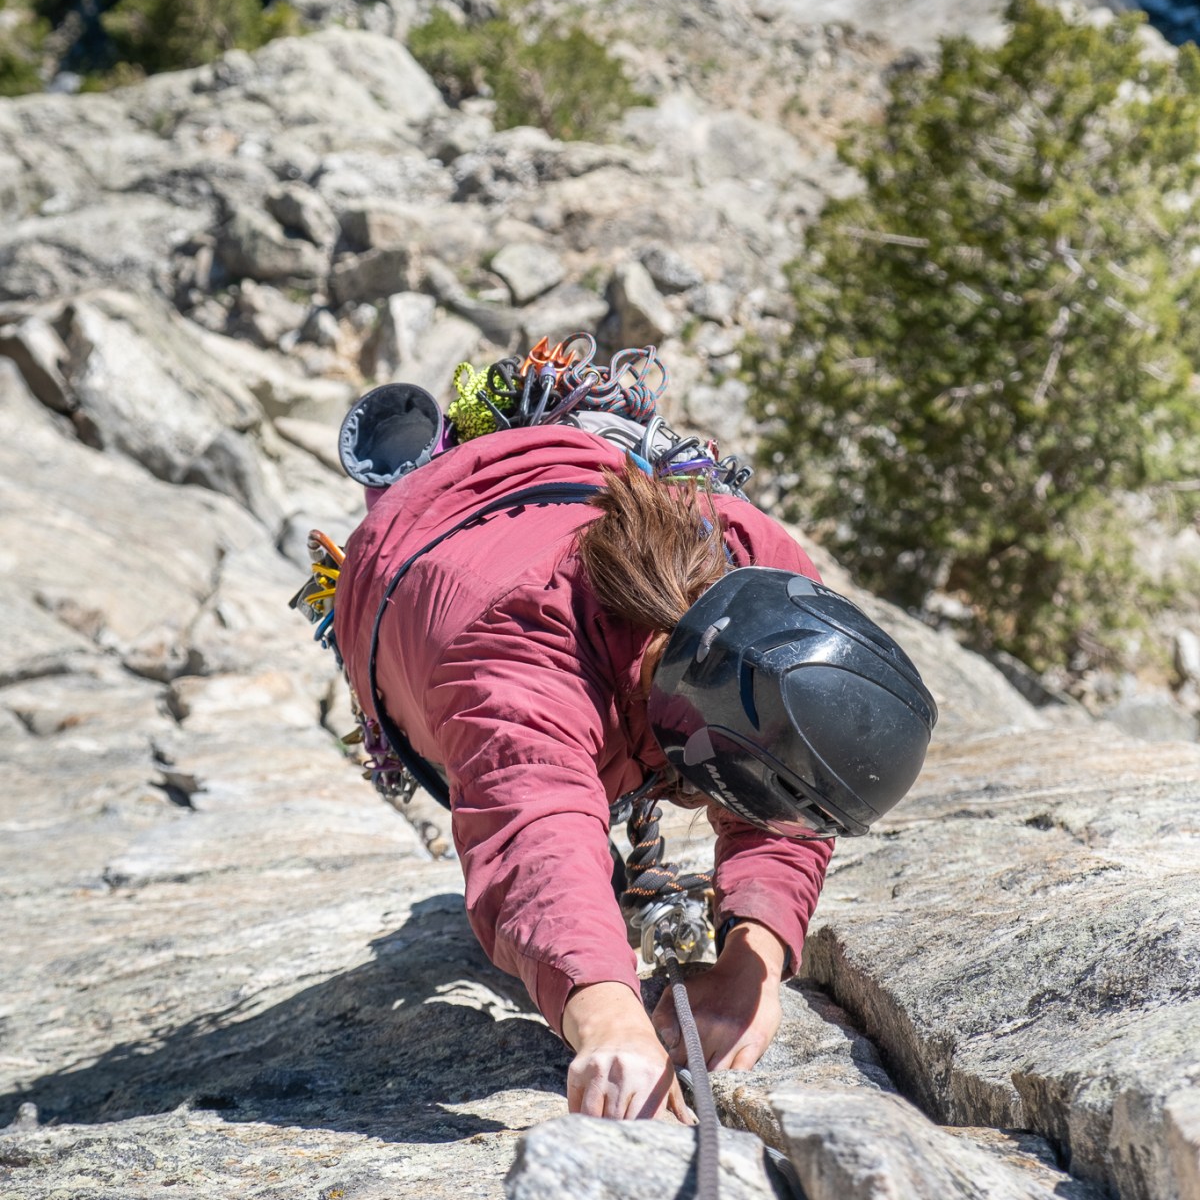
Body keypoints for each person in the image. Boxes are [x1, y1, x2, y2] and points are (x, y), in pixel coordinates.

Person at [333, 417, 936, 1124]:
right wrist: (608, 1017)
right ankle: (408, 480)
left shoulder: (767, 580)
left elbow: (788, 784)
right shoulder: (512, 658)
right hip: (411, 562)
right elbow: (536, 826)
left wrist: (758, 954)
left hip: (549, 466)